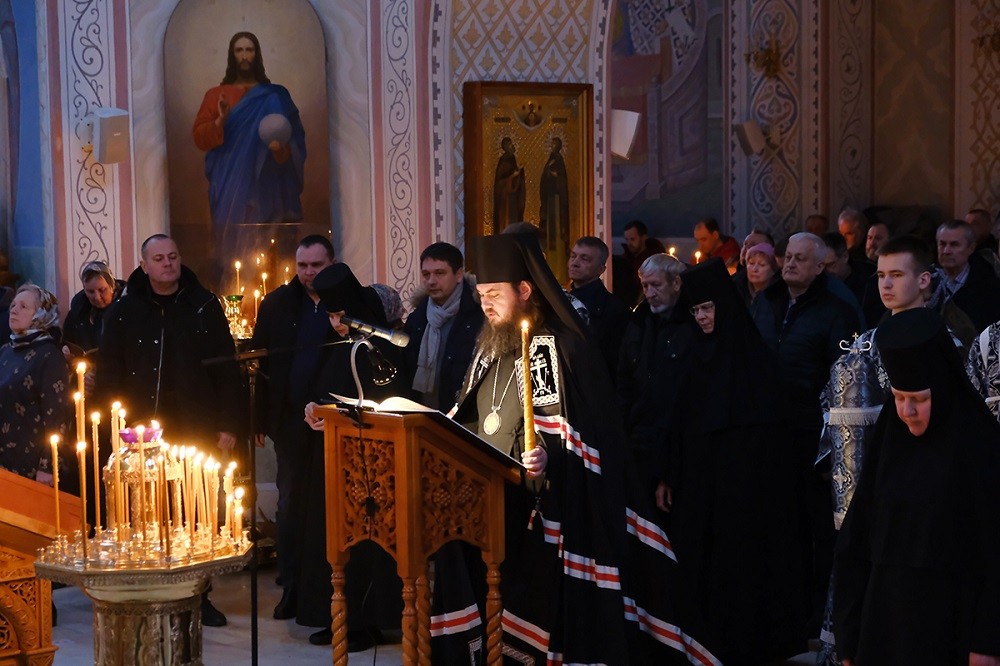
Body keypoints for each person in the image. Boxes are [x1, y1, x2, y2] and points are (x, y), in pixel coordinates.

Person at [441, 233, 713, 664]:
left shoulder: (553, 346)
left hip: (537, 500)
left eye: (494, 294)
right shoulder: (489, 345)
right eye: (481, 295)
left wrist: (547, 457)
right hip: (486, 492)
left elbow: (574, 432)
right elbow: (471, 412)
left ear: (524, 290)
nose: (485, 304)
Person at [833, 308, 1000, 665]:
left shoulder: (980, 447)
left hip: (954, 627)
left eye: (920, 399)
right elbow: (856, 542)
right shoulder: (889, 442)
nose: (907, 411)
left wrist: (988, 641)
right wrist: (848, 638)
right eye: (898, 397)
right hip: (885, 625)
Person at [98, 234, 245, 627]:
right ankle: (149, 591)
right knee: (147, 512)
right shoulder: (124, 311)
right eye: (159, 258)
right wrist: (113, 425)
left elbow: (227, 368)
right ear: (144, 265)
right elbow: (109, 372)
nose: (168, 263)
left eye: (173, 256)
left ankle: (198, 594)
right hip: (141, 430)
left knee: (196, 510)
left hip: (195, 425)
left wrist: (229, 423)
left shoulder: (204, 305)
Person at [664, 259, 804, 664]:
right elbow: (675, 423)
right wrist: (669, 474)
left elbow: (774, 437)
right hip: (699, 488)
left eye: (708, 308)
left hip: (747, 490)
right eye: (695, 310)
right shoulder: (691, 357)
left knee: (743, 568)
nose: (702, 317)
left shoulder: (755, 361)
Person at [815, 235, 936, 665]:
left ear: (924, 280)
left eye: (897, 275)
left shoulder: (946, 342)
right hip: (864, 497)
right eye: (881, 275)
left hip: (920, 500)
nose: (886, 284)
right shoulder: (860, 348)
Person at [752, 232, 861, 634]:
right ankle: (784, 606)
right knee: (779, 521)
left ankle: (819, 610)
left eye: (802, 258)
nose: (791, 263)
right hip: (770, 431)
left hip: (813, 436)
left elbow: (844, 377)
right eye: (788, 256)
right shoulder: (765, 301)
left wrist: (832, 444)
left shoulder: (837, 310)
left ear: (820, 267)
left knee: (817, 525)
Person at [301, 263, 404, 650]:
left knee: (367, 543)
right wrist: (313, 409)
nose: (336, 323)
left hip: (372, 462)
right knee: (332, 538)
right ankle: (337, 617)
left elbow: (392, 400)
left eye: (342, 315)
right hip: (333, 456)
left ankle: (367, 620)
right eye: (330, 316)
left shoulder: (382, 346)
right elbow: (320, 389)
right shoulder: (334, 344)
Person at [249, 234, 335, 625]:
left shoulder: (347, 301)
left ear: (331, 264)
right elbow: (261, 364)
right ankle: (292, 588)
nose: (308, 273)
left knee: (328, 507)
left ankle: (329, 589)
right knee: (290, 506)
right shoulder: (277, 303)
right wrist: (259, 419)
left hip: (336, 423)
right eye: (302, 265)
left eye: (316, 265)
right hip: (289, 421)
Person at [192, 31, 306, 255]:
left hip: (267, 181)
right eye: (239, 50)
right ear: (232, 55)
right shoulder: (216, 95)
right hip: (228, 180)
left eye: (249, 50)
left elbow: (294, 140)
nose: (244, 56)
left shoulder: (275, 95)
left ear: (257, 54)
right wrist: (221, 119)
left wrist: (280, 151)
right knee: (230, 244)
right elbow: (200, 138)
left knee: (268, 242)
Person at [617, 253, 695, 498]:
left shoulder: (692, 324)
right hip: (639, 434)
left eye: (656, 285)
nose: (649, 293)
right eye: (645, 286)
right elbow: (624, 378)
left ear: (676, 283)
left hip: (677, 439)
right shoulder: (639, 321)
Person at [0, 284, 71, 482]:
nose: (14, 310)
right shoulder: (6, 351)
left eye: (23, 306)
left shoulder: (49, 355)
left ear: (41, 315)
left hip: (31, 463)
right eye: (13, 305)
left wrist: (48, 465)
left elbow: (57, 415)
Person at [403, 241, 484, 412]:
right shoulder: (417, 318)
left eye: (440, 273)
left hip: (463, 416)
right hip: (422, 413)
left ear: (459, 274)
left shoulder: (479, 317)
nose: (431, 281)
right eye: (426, 274)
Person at [567, 236, 629, 379]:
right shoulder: (563, 301)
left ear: (601, 269)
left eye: (585, 259)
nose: (575, 263)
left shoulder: (615, 310)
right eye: (573, 256)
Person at [936, 220, 1000, 333]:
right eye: (942, 244)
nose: (946, 251)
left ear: (971, 248)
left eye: (954, 245)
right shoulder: (927, 281)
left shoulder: (989, 287)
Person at [614, 219, 665, 306]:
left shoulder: (654, 260)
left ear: (643, 238)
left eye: (632, 239)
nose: (629, 243)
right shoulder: (625, 260)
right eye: (627, 240)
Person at [538, 137, 569, 251]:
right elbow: (545, 176)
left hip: (557, 196)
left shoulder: (558, 158)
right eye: (552, 144)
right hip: (549, 196)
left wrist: (553, 173)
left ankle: (557, 241)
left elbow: (561, 176)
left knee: (556, 220)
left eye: (554, 144)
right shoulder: (551, 158)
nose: (552, 146)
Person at [492, 137, 525, 231]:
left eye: (512, 144)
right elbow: (500, 180)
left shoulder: (512, 158)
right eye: (510, 144)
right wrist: (513, 175)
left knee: (513, 218)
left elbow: (515, 175)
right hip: (505, 198)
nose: (512, 146)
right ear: (506, 147)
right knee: (506, 218)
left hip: (513, 196)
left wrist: (519, 172)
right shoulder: (503, 160)